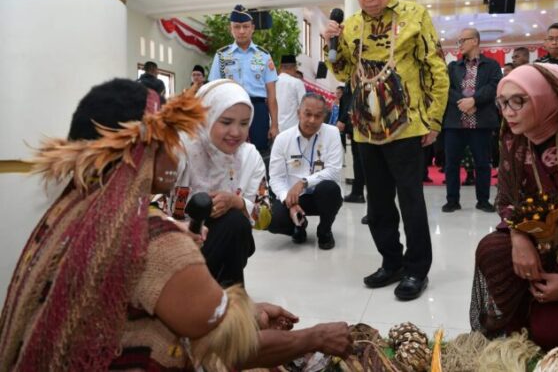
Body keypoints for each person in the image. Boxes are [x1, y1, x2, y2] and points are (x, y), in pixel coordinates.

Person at [0, 79, 352, 371]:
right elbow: (230, 349)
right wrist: (313, 338)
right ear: (144, 151)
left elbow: (260, 214)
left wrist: (246, 310)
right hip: (177, 291)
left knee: (233, 226)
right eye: (170, 137)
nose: (177, 149)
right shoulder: (154, 241)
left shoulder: (72, 208)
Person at [323, 0, 449, 300]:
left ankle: (416, 269)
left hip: (406, 127)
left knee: (411, 201)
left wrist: (433, 120)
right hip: (364, 128)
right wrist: (329, 45)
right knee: (377, 205)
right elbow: (345, 72)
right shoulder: (351, 26)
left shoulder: (415, 15)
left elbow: (435, 69)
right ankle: (391, 262)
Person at [470, 64, 558, 351]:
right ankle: (527, 306)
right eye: (503, 102)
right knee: (491, 250)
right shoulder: (513, 138)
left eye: (519, 100)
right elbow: (506, 200)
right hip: (541, 244)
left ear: (547, 98)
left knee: (549, 333)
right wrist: (519, 238)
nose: (508, 111)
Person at [173, 80, 268, 287]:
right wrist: (180, 228)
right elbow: (145, 210)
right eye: (226, 122)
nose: (236, 132)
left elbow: (266, 218)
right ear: (206, 117)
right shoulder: (178, 150)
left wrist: (238, 202)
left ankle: (225, 300)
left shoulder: (249, 157)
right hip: (173, 247)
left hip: (222, 241)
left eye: (244, 123)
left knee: (235, 222)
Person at [268, 93, 343, 250]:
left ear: (324, 116)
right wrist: (287, 200)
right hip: (294, 199)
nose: (312, 120)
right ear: (298, 113)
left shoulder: (332, 133)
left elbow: (334, 170)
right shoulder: (283, 139)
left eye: (318, 116)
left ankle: (324, 230)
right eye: (307, 114)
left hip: (320, 196)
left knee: (330, 189)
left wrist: (303, 182)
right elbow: (275, 178)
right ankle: (299, 226)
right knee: (274, 219)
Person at [442, 28, 501, 213]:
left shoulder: (491, 65)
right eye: (458, 41)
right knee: (451, 164)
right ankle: (452, 200)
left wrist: (474, 101)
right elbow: (446, 88)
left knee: (483, 163)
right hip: (455, 122)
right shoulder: (453, 67)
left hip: (481, 122)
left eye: (463, 40)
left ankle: (483, 200)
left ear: (475, 41)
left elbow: (494, 86)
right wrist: (463, 103)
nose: (459, 44)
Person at [208, 5, 279, 152]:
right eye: (237, 27)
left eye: (245, 26)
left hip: (258, 109)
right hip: (229, 108)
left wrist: (275, 125)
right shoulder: (221, 55)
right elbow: (213, 90)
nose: (241, 31)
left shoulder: (264, 55)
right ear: (231, 29)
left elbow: (271, 94)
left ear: (252, 28)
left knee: (258, 152)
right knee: (230, 150)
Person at [275, 54, 306, 132]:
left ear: (280, 67)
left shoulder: (272, 82)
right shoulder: (297, 83)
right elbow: (304, 105)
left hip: (274, 128)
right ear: (294, 67)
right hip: (292, 128)